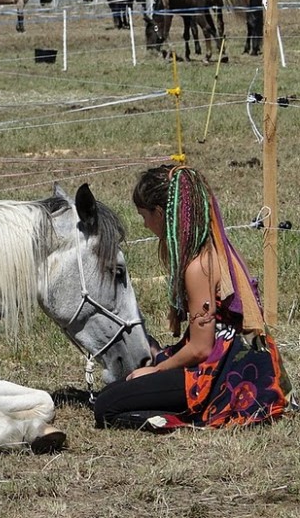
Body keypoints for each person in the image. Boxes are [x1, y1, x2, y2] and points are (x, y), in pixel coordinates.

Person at [94, 165, 295, 431]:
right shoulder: (214, 248)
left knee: (106, 405)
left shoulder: (198, 267)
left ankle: (178, 419)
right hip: (241, 362)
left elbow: (201, 348)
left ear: (160, 214)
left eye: (144, 216)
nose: (144, 224)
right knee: (122, 386)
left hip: (221, 376)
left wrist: (158, 369)